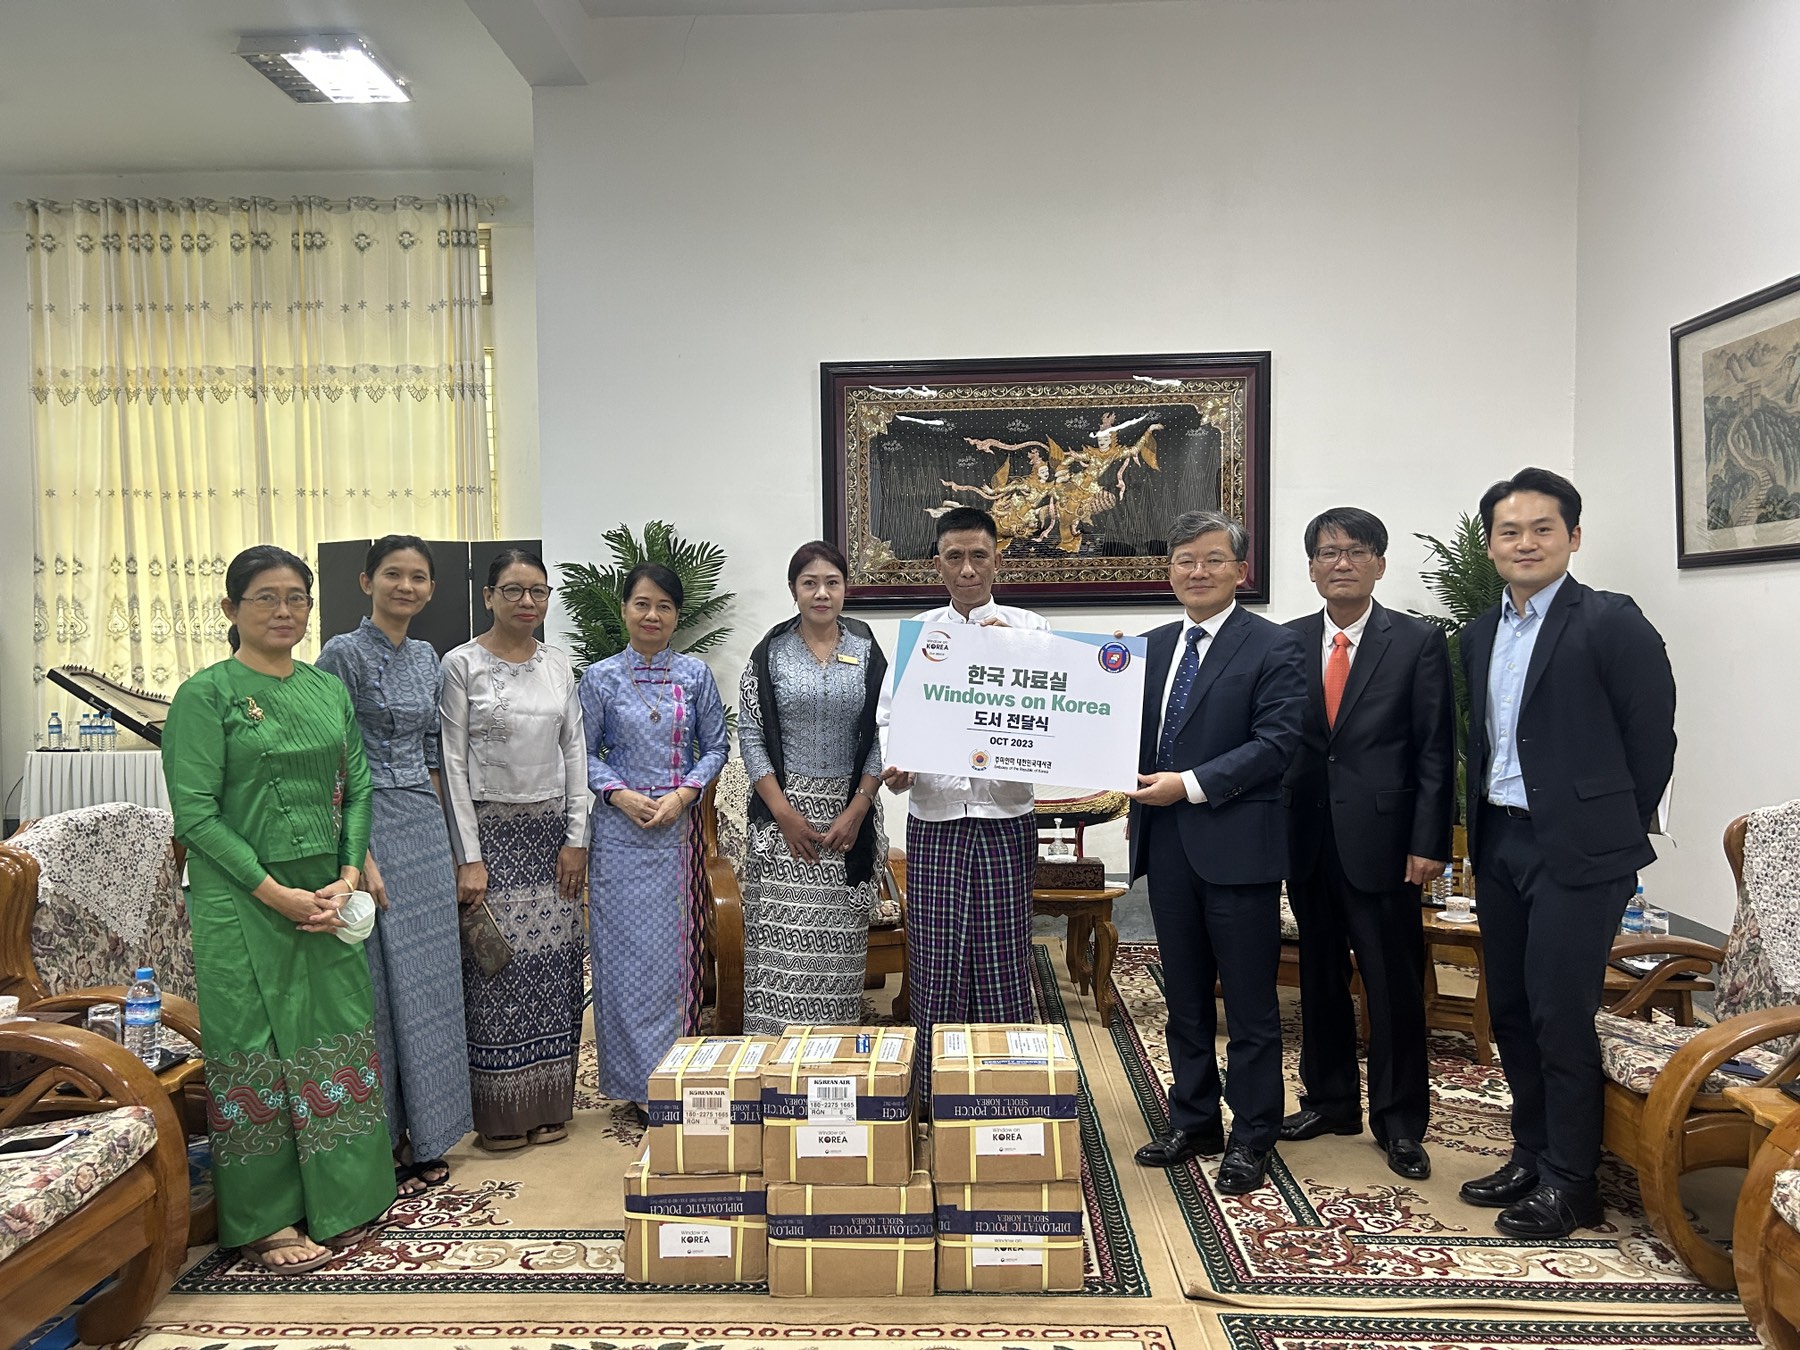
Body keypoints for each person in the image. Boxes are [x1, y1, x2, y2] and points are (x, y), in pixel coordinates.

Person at [1456, 467, 1676, 1239]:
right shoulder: (1480, 632)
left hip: (1580, 852)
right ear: (1491, 545)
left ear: (1573, 538)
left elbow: (1653, 740)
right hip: (1503, 839)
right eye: (1509, 531)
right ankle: (1531, 1152)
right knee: (1512, 1008)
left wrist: (1606, 825)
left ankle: (1571, 1182)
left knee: (1559, 1011)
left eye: (1542, 528)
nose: (1525, 543)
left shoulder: (1611, 622)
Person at [162, 545, 394, 1273]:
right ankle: (265, 1220)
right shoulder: (207, 696)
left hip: (326, 894)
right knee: (255, 1051)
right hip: (242, 902)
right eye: (265, 597)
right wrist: (272, 891)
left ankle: (349, 1196)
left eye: (296, 597)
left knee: (336, 1035)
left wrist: (349, 874)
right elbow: (195, 815)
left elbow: (357, 788)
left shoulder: (325, 690)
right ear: (231, 610)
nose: (284, 611)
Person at [1126, 509, 1306, 1195]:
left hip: (1238, 847)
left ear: (1240, 570)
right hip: (1167, 846)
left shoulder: (1274, 646)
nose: (1196, 572)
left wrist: (1191, 786)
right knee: (1186, 998)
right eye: (1183, 560)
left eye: (1211, 560)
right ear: (1169, 570)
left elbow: (1277, 743)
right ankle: (1194, 1119)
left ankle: (1254, 1133)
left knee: (1252, 1006)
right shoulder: (1147, 647)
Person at [1277, 507, 1455, 1181]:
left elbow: (1435, 750)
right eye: (1326, 552)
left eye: (1355, 551)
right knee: (1318, 978)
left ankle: (1401, 1122)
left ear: (1379, 562)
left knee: (1391, 986)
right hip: (1308, 838)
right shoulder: (1286, 642)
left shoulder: (1416, 642)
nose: (1340, 562)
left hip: (1386, 843)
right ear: (1312, 566)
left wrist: (1429, 839)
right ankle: (1328, 1101)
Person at [317, 535, 473, 1195]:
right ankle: (382, 1140)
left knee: (433, 986)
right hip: (370, 820)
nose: (405, 587)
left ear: (431, 589)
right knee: (382, 988)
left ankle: (429, 1134)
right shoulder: (341, 655)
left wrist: (450, 843)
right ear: (366, 580)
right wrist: (362, 858)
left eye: (417, 578)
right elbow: (333, 759)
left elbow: (435, 753)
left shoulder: (427, 656)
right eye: (393, 575)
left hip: (423, 822)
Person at [878, 506, 1051, 1096]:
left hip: (1006, 814)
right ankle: (934, 1087)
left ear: (998, 558)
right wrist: (895, 767)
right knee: (933, 949)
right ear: (938, 564)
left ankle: (1005, 1085)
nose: (969, 568)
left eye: (979, 555)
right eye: (955, 557)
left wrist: (1018, 657)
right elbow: (888, 720)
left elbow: (1057, 717)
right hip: (936, 815)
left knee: (1003, 948)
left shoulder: (1032, 630)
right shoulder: (918, 634)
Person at [439, 549, 591, 1151]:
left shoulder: (559, 665)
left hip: (552, 835)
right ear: (489, 596)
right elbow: (451, 763)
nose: (527, 602)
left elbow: (575, 751)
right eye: (513, 591)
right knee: (495, 970)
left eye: (537, 591)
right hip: (492, 836)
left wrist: (577, 839)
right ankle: (501, 1114)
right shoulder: (462, 665)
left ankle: (549, 1103)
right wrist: (468, 855)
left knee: (553, 970)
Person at [579, 562, 729, 1123]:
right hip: (619, 838)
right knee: (623, 960)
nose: (652, 615)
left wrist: (684, 794)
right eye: (642, 604)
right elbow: (583, 753)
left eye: (664, 606)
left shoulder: (695, 675)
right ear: (624, 609)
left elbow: (715, 746)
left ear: (676, 616)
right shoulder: (598, 679)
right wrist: (619, 795)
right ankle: (635, 1082)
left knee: (673, 960)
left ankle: (676, 1078)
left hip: (675, 835)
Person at [737, 541, 888, 1034]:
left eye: (832, 583)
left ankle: (831, 1074)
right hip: (785, 822)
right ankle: (774, 1075)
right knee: (778, 956)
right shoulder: (771, 652)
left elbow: (884, 731)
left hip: (850, 821)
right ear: (793, 590)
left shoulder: (867, 650)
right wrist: (783, 812)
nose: (821, 593)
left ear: (846, 589)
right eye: (810, 583)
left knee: (838, 961)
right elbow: (751, 731)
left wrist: (858, 808)